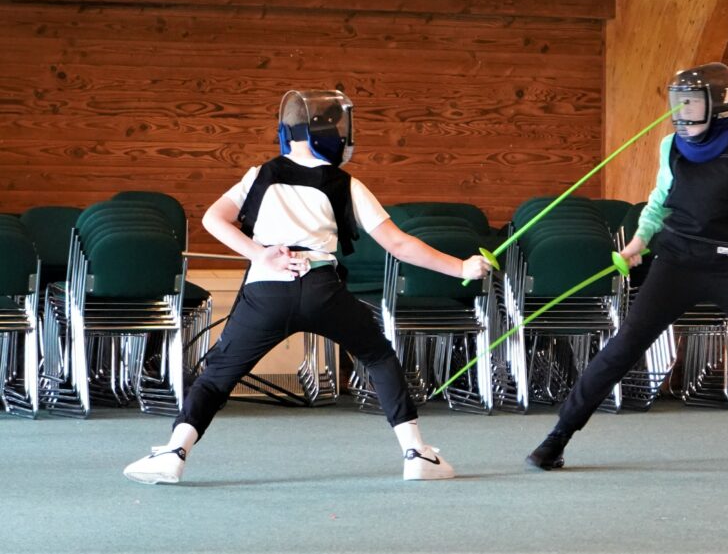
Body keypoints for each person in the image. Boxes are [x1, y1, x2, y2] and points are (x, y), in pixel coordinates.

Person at [123, 89, 492, 485]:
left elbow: (214, 219)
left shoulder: (259, 174)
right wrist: (461, 266)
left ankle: (175, 453)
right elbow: (398, 244)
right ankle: (417, 453)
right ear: (332, 134)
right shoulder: (346, 183)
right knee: (378, 356)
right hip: (321, 289)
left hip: (266, 292)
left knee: (216, 376)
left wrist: (261, 254)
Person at [525, 62, 728, 471]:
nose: (681, 113)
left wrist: (725, 218)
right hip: (675, 264)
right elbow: (658, 202)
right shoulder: (669, 147)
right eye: (678, 103)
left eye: (692, 104)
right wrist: (639, 241)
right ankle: (557, 438)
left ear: (720, 107)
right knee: (623, 347)